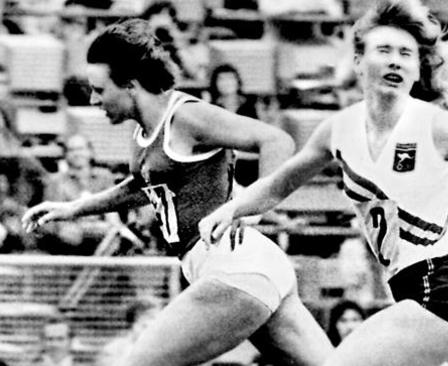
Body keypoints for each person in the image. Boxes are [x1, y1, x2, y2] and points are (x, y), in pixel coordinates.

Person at [198, 1, 448, 365]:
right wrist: (233, 208)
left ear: (418, 68)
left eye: (406, 54)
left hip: (441, 291)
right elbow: (279, 185)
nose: (395, 62)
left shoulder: (439, 126)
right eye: (383, 51)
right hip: (431, 293)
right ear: (357, 60)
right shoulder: (337, 130)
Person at [22, 19, 332, 366]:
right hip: (249, 270)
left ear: (130, 85)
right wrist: (71, 209)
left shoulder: (185, 116)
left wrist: (250, 207)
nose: (93, 100)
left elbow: (276, 140)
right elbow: (142, 189)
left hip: (236, 268)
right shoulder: (143, 133)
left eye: (99, 89)